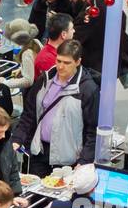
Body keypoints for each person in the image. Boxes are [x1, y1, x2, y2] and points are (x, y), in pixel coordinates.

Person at [13, 39, 99, 176]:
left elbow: (92, 130)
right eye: (58, 61)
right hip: (39, 152)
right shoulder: (45, 80)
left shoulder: (87, 90)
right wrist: (17, 139)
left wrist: (84, 161)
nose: (60, 66)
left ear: (78, 62)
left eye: (66, 63)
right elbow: (29, 113)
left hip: (67, 160)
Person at [68, 0, 128, 80]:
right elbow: (123, 16)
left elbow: (74, 39)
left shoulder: (88, 14)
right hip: (112, 62)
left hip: (95, 69)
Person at [3, 20, 41, 96]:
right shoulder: (36, 41)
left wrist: (6, 83)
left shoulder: (26, 53)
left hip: (34, 91)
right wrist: (22, 69)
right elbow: (35, 63)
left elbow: (28, 81)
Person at [34, 12, 74, 76]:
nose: (74, 31)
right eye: (72, 29)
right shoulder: (48, 61)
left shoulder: (59, 53)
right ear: (63, 34)